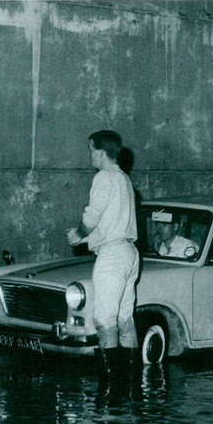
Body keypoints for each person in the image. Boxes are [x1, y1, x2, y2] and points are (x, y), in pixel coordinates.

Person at [66, 130, 139, 371]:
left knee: (104, 321)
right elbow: (112, 219)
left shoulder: (103, 177)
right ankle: (128, 387)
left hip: (112, 256)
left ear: (99, 152)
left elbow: (93, 216)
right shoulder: (124, 179)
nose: (89, 156)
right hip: (129, 252)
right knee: (124, 319)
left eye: (90, 151)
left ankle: (109, 393)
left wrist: (77, 234)